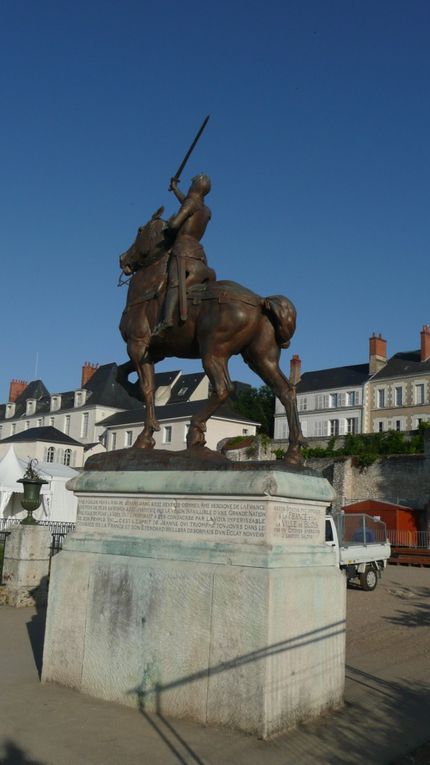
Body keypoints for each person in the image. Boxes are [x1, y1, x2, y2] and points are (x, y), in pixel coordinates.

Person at [152, 173, 215, 335]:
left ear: (196, 186)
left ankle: (166, 321)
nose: (190, 185)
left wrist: (167, 226)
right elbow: (189, 206)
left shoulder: (191, 203)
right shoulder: (205, 210)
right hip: (199, 253)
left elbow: (174, 224)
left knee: (174, 283)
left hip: (183, 249)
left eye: (192, 183)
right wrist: (175, 189)